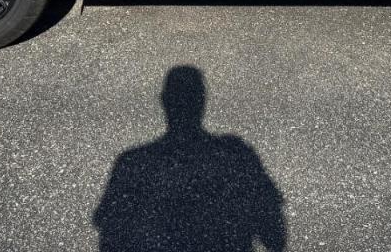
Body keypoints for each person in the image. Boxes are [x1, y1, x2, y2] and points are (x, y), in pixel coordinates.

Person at [93, 65, 286, 252]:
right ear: (201, 101)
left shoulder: (135, 164)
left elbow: (110, 240)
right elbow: (275, 235)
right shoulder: (235, 157)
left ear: (164, 101)